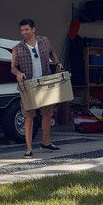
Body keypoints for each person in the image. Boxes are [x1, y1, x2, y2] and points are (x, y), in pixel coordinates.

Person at [11, 18, 63, 157]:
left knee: (47, 113)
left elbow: (52, 52)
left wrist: (57, 63)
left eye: (27, 29)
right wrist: (18, 73)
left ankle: (46, 142)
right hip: (28, 86)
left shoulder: (44, 41)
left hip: (45, 83)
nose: (24, 33)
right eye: (22, 30)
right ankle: (29, 148)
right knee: (28, 116)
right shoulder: (17, 48)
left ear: (34, 29)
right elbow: (13, 68)